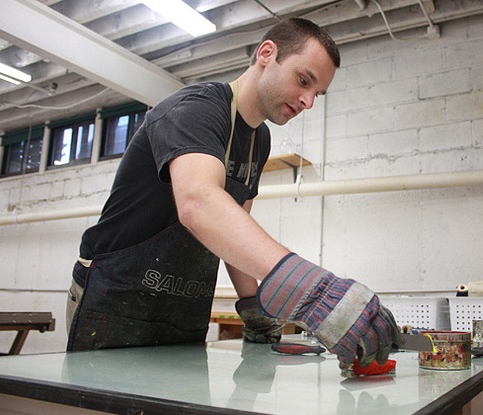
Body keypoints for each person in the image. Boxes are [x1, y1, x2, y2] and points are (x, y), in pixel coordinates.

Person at [66, 17, 402, 367]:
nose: (307, 102)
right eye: (304, 81)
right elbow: (199, 203)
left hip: (182, 307)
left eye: (316, 93)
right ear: (267, 53)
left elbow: (234, 226)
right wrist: (313, 291)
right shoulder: (197, 108)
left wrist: (254, 306)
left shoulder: (259, 140)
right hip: (116, 299)